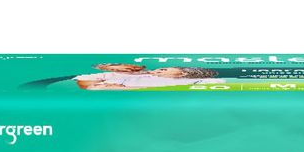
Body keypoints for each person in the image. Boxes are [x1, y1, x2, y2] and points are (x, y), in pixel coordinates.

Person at [74, 63, 219, 89]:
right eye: (161, 68)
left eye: (164, 70)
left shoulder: (180, 82)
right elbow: (83, 82)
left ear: (181, 73)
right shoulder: (136, 73)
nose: (158, 70)